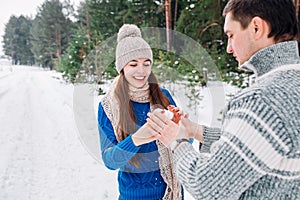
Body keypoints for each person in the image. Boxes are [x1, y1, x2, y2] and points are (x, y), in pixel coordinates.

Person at [147, 0, 300, 199]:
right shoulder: (291, 84)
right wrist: (196, 131)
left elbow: (207, 185)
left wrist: (177, 141)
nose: (228, 48)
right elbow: (263, 146)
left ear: (256, 27)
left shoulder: (262, 100)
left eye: (231, 35)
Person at [97, 24, 183, 200]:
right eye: (133, 64)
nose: (141, 71)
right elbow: (110, 161)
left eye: (146, 63)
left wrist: (178, 128)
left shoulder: (162, 96)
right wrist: (137, 138)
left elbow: (183, 141)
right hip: (134, 196)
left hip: (171, 193)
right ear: (122, 68)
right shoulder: (108, 106)